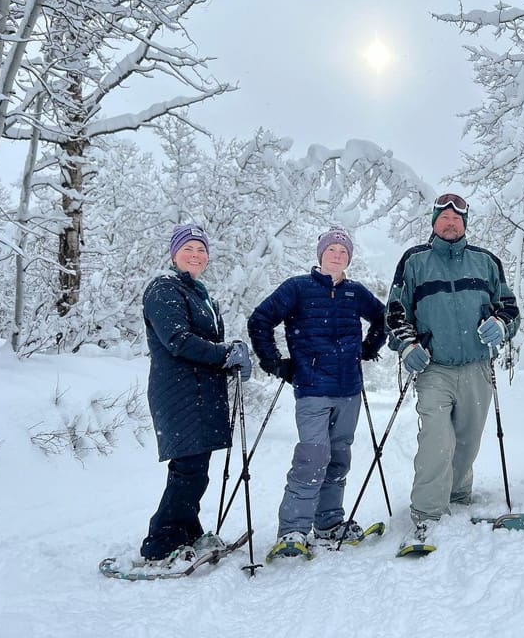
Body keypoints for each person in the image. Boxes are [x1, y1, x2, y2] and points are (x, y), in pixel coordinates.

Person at [386, 193, 520, 546]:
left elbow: (509, 307)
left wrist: (502, 325)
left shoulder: (486, 262)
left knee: (468, 438)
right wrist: (407, 345)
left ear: (464, 224)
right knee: (436, 438)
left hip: (476, 366)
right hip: (435, 368)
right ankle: (427, 513)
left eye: (456, 219)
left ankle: (458, 495)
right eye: (443, 218)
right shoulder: (415, 261)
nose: (450, 223)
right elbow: (395, 312)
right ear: (433, 223)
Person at [247, 226, 386, 559]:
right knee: (313, 457)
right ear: (320, 254)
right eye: (331, 250)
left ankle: (328, 524)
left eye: (343, 252)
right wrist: (274, 362)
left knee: (338, 458)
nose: (337, 256)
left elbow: (384, 317)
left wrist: (368, 348)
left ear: (348, 258)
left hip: (349, 390)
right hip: (311, 388)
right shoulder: (298, 288)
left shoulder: (355, 292)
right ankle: (293, 529)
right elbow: (260, 319)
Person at [140, 224, 253, 564]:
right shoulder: (163, 289)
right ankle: (161, 542)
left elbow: (205, 343)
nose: (196, 255)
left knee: (196, 469)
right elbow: (177, 340)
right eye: (188, 248)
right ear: (174, 253)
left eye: (201, 250)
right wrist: (224, 355)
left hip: (201, 393)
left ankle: (186, 532)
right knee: (188, 469)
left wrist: (232, 354)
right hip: (178, 393)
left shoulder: (199, 293)